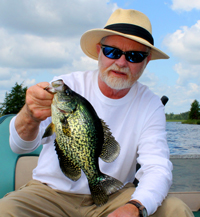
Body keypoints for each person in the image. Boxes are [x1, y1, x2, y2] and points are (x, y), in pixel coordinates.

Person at [0, 8, 194, 217]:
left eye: (134, 56)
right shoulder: (66, 85)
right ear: (99, 51)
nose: (121, 62)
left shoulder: (150, 104)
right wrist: (29, 115)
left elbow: (157, 167)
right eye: (112, 51)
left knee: (176, 211)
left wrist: (136, 207)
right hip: (49, 193)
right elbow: (20, 146)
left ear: (146, 62)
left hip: (115, 194)